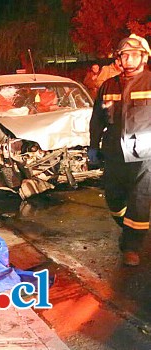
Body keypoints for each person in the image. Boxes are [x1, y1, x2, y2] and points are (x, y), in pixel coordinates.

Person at [88, 34, 151, 266]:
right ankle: (127, 228)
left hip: (145, 156)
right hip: (113, 153)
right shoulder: (108, 86)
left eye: (134, 55)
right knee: (114, 199)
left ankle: (132, 246)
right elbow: (97, 119)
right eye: (124, 55)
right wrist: (93, 146)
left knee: (140, 200)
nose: (129, 59)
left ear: (144, 58)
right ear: (118, 58)